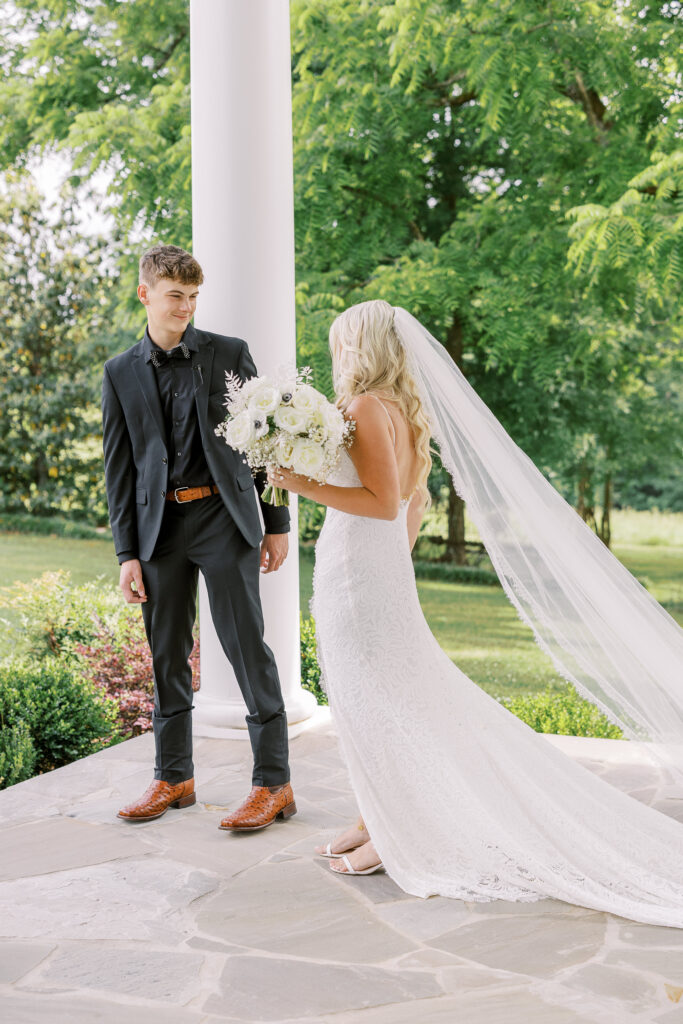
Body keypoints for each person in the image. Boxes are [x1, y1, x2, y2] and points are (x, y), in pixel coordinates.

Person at [268, 298, 683, 928]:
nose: (336, 356)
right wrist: (392, 570)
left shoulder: (364, 407)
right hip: (374, 570)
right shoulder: (402, 408)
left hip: (358, 570)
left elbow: (380, 503)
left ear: (360, 346)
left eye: (341, 344)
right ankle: (374, 814)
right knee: (377, 698)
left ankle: (397, 832)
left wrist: (294, 483)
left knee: (379, 701)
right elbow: (409, 506)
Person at [102, 244, 297, 831]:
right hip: (159, 530)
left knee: (246, 648)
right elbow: (119, 468)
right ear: (146, 295)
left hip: (223, 521)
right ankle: (174, 777)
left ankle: (274, 785)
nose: (185, 307)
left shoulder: (229, 354)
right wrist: (126, 553)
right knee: (166, 657)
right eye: (174, 296)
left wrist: (277, 523)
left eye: (192, 297)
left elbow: (266, 443)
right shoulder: (119, 372)